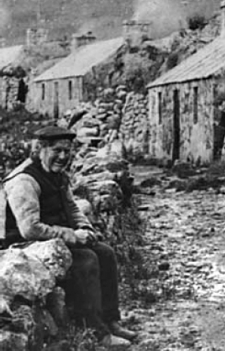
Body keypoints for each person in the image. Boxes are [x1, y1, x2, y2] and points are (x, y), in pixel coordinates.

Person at [0, 126, 137, 347]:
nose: (63, 156)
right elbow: (30, 228)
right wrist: (73, 236)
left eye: (67, 151)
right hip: (25, 246)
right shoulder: (24, 180)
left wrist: (86, 228)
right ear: (40, 149)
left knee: (105, 252)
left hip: (53, 240)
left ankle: (111, 320)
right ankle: (97, 331)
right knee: (85, 260)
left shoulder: (57, 174)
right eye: (56, 150)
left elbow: (72, 207)